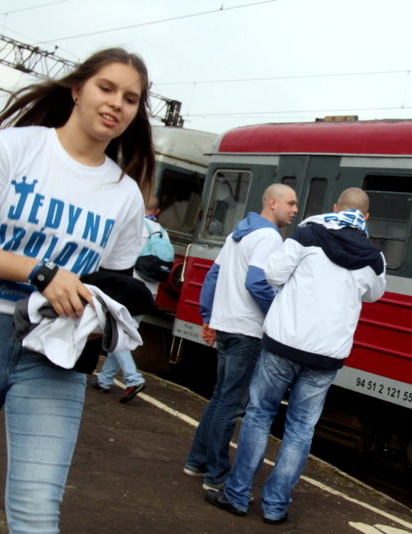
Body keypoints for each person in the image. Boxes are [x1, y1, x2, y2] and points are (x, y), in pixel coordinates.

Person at [0, 48, 154, 533]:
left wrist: (100, 321)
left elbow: (118, 286)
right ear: (78, 89)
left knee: (36, 514)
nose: (117, 104)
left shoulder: (124, 195)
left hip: (54, 354)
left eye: (131, 99)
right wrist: (41, 272)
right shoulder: (17, 149)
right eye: (106, 88)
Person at [205, 187, 386, 525]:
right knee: (301, 430)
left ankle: (237, 495)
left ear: (335, 207)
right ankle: (275, 507)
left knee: (259, 415)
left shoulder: (307, 233)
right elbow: (375, 294)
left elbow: (272, 274)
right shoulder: (373, 256)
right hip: (327, 355)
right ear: (366, 218)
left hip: (284, 343)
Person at [183, 184, 298, 493]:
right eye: (290, 203)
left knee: (220, 397)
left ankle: (197, 460)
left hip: (226, 325)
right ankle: (217, 474)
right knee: (231, 404)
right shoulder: (270, 237)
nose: (295, 209)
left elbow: (213, 276)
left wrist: (208, 316)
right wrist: (278, 316)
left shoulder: (239, 233)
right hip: (247, 330)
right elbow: (258, 283)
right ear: (272, 202)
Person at [92, 196, 168, 403]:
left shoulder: (136, 227)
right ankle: (105, 380)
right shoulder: (161, 232)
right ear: (157, 211)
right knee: (122, 333)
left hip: (129, 289)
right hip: (149, 293)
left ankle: (133, 379)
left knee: (118, 334)